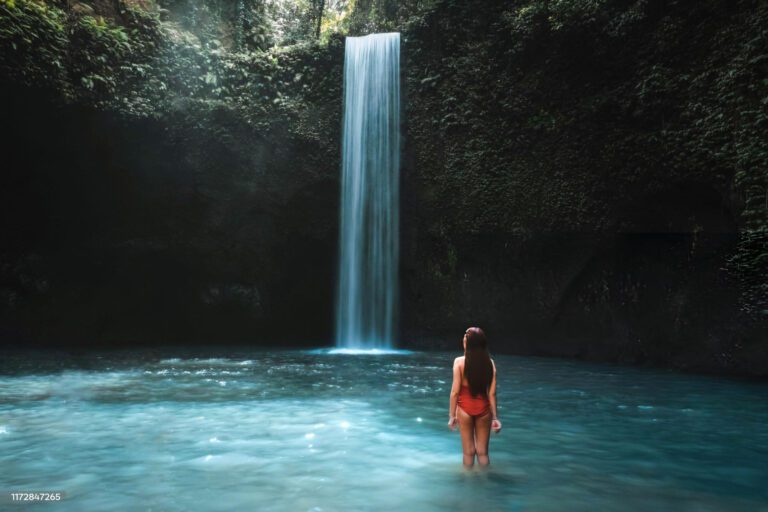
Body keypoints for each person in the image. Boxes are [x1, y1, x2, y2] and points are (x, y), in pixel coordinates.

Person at [448, 327, 501, 467]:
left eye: (465, 338)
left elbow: (454, 392)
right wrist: (495, 418)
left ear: (467, 343)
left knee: (468, 452)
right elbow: (492, 393)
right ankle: (485, 483)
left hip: (464, 410)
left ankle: (468, 483)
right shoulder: (490, 363)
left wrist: (452, 416)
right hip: (484, 410)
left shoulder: (459, 362)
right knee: (483, 452)